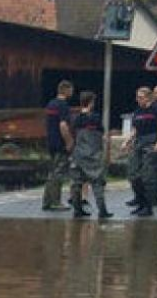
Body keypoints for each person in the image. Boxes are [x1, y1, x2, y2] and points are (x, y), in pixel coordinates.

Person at [69, 91, 113, 220]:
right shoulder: (95, 118)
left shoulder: (76, 119)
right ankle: (102, 211)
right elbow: (102, 135)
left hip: (78, 154)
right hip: (93, 154)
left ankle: (77, 210)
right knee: (97, 183)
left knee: (76, 183)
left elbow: (73, 135)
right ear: (91, 102)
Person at [125, 87, 157, 218]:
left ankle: (148, 206)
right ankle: (140, 201)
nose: (138, 100)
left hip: (151, 141)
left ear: (148, 98)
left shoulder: (156, 109)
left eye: (141, 97)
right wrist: (127, 140)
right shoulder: (138, 112)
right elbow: (135, 128)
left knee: (147, 176)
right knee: (133, 174)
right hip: (139, 142)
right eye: (137, 97)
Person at [42, 80, 74, 211]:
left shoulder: (51, 104)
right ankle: (56, 202)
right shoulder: (63, 106)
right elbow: (63, 125)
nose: (72, 92)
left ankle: (46, 201)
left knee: (52, 173)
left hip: (51, 142)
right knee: (58, 173)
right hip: (60, 143)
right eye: (71, 90)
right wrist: (69, 142)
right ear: (65, 90)